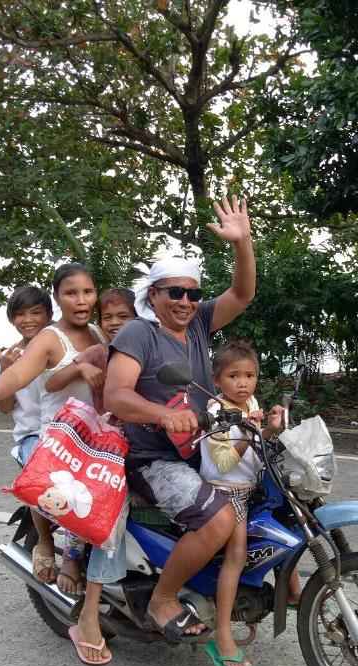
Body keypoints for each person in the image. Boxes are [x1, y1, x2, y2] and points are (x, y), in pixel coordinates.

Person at [104, 195, 255, 642]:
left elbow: (243, 293)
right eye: (175, 292)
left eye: (192, 292)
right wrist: (160, 416)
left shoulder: (197, 325)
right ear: (153, 296)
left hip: (201, 448)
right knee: (219, 519)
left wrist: (242, 243)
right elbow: (116, 395)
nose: (186, 300)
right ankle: (163, 598)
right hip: (151, 458)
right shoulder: (139, 332)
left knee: (266, 492)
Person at [0, 263, 105, 599]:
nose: (81, 299)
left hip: (98, 435)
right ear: (59, 298)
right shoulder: (46, 339)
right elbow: (19, 377)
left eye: (87, 291)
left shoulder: (101, 332)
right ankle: (60, 552)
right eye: (72, 293)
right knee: (66, 494)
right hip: (56, 439)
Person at [46, 287, 137, 666]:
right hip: (104, 447)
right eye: (108, 317)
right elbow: (51, 382)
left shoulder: (150, 347)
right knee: (107, 509)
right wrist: (79, 368)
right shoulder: (101, 352)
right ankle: (88, 612)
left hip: (145, 442)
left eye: (123, 316)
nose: (115, 324)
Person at [198, 341, 284, 666]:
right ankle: (221, 634)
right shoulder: (215, 410)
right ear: (218, 380)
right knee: (235, 555)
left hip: (252, 486)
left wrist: (270, 430)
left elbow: (259, 441)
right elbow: (221, 463)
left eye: (249, 375)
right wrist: (249, 434)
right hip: (225, 491)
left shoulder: (249, 402)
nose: (243, 383)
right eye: (234, 375)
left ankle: (290, 591)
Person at [0, 286, 53, 466]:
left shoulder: (64, 348)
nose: (28, 320)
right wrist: (6, 371)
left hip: (68, 433)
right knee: (43, 486)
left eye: (35, 313)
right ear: (12, 319)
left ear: (48, 315)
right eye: (20, 314)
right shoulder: (8, 357)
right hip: (32, 436)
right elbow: (5, 408)